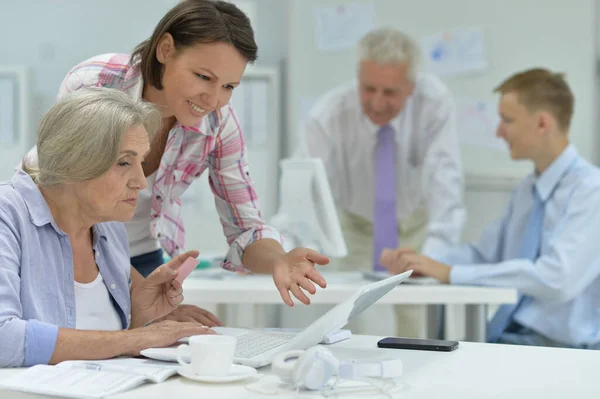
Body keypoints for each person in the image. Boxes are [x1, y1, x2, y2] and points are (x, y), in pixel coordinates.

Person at [25, 0, 329, 308]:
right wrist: (132, 294)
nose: (213, 99)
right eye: (203, 77)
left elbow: (245, 227)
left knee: (159, 346)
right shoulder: (97, 83)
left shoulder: (219, 124)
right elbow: (66, 198)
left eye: (228, 86)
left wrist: (279, 259)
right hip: (63, 240)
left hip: (143, 253)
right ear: (165, 49)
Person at [0, 88, 220, 368]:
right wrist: (137, 338)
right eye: (124, 163)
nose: (141, 182)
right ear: (74, 162)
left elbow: (104, 341)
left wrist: (141, 314)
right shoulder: (7, 213)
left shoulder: (109, 226)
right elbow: (3, 339)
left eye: (141, 162)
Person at [382, 68, 600, 349]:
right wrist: (424, 262)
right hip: (512, 339)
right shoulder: (527, 190)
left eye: (507, 120)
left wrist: (451, 273)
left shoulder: (591, 191)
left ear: (543, 123)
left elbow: (557, 279)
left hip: (565, 353)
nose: (498, 132)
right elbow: (483, 254)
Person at [302, 27, 464, 337]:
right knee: (353, 317)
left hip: (414, 226)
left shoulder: (434, 103)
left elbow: (447, 181)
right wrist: (286, 249)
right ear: (357, 78)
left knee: (417, 320)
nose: (377, 103)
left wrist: (433, 255)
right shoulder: (328, 114)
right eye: (368, 88)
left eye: (390, 92)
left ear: (411, 87)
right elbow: (307, 193)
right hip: (356, 226)